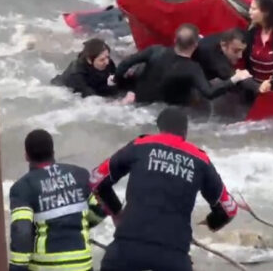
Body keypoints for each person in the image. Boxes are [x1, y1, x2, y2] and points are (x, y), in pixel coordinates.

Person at [89, 107, 238, 271]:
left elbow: (96, 180)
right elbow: (228, 209)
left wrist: (117, 213)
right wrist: (211, 222)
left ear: (159, 128)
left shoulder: (140, 144)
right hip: (174, 255)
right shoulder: (200, 159)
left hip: (126, 249)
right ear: (185, 132)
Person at [9, 129, 106, 271]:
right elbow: (100, 210)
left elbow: (22, 231)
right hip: (82, 265)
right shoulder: (80, 175)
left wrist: (17, 267)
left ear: (26, 156)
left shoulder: (22, 188)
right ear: (53, 152)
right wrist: (79, 224)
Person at [114, 24, 251, 105]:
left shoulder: (155, 50)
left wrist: (116, 80)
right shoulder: (192, 69)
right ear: (196, 44)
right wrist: (235, 79)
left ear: (175, 39)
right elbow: (209, 93)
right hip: (159, 107)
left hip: (138, 96)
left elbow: (125, 63)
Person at [51, 38, 120, 98]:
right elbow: (91, 98)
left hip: (94, 85)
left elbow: (117, 79)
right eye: (102, 60)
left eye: (107, 57)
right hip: (63, 89)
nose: (107, 62)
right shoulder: (77, 74)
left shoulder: (108, 62)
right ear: (89, 60)